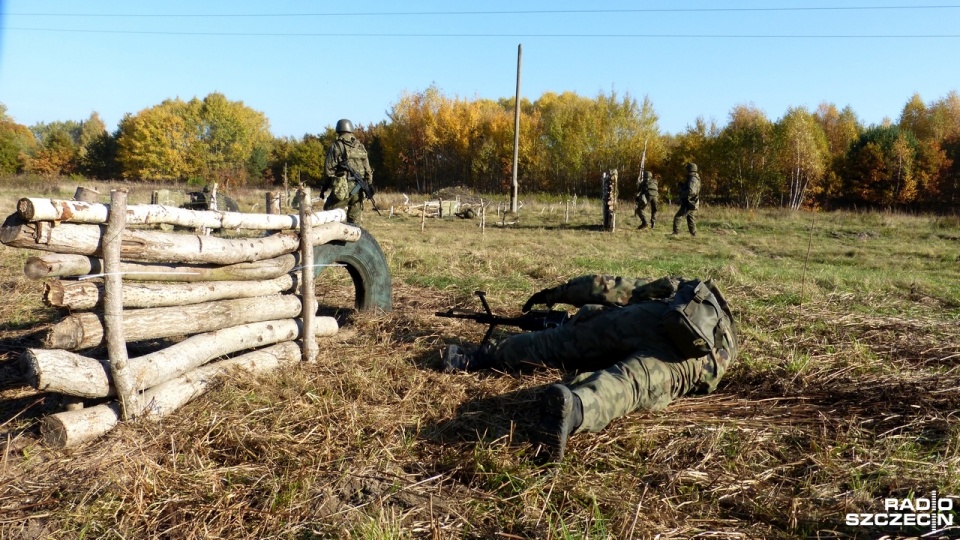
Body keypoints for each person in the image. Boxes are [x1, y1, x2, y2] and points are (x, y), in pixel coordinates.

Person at [443, 274, 738, 463]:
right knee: (627, 386)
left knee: (559, 341)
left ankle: (472, 359)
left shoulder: (678, 288)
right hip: (691, 361)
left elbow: (610, 288)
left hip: (651, 317)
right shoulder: (724, 349)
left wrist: (557, 292)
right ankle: (575, 407)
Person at [321, 118, 374, 225]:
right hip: (359, 188)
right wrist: (370, 184)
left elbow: (328, 171)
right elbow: (367, 169)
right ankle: (354, 239)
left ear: (338, 130)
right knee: (355, 221)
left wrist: (324, 187)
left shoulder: (336, 146)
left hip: (342, 188)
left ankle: (332, 240)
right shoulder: (360, 146)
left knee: (329, 215)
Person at [673, 163, 701, 236]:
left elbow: (691, 191)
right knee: (690, 218)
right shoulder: (694, 178)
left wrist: (682, 192)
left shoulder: (692, 179)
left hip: (689, 202)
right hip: (692, 202)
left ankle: (675, 233)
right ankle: (694, 234)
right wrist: (682, 186)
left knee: (678, 216)